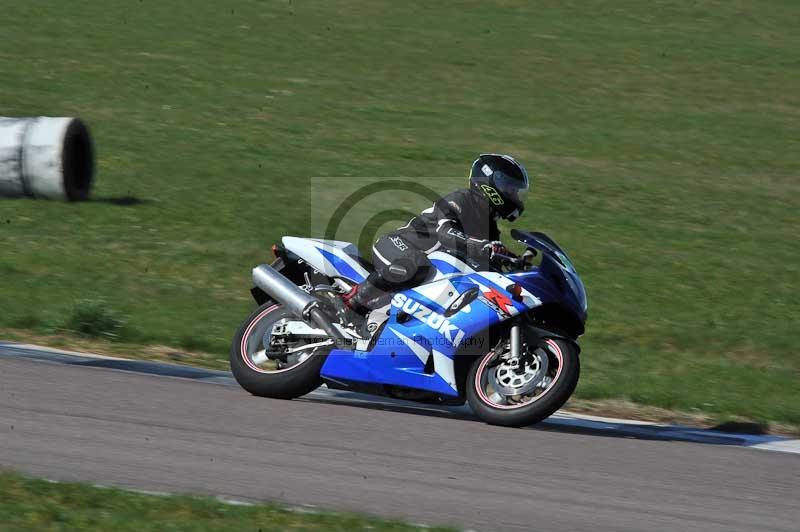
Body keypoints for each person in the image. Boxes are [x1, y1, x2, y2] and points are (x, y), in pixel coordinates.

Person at [343, 153, 530, 315]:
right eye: (511, 188)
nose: (515, 195)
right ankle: (351, 302)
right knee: (416, 264)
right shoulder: (461, 200)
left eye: (516, 190)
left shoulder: (490, 227)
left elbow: (490, 263)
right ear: (490, 184)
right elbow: (446, 234)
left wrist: (516, 262)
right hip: (398, 245)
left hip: (431, 267)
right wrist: (480, 246)